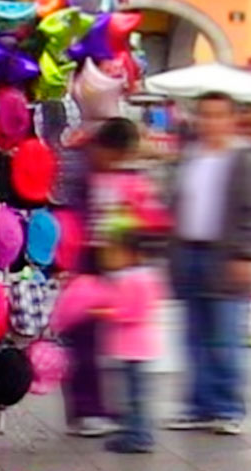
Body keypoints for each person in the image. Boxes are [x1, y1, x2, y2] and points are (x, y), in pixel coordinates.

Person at [166, 92, 251, 435]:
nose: (211, 123)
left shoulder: (244, 160)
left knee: (224, 338)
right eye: (206, 116)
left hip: (226, 256)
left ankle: (227, 407)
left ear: (231, 119)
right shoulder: (190, 157)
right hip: (190, 253)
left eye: (218, 116)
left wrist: (248, 255)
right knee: (193, 337)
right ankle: (198, 405)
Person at [58, 118, 170, 451]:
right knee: (85, 343)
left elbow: (149, 222)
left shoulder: (127, 181)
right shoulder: (82, 171)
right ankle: (93, 410)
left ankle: (124, 422)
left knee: (111, 353)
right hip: (92, 262)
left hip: (112, 264)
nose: (115, 163)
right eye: (114, 156)